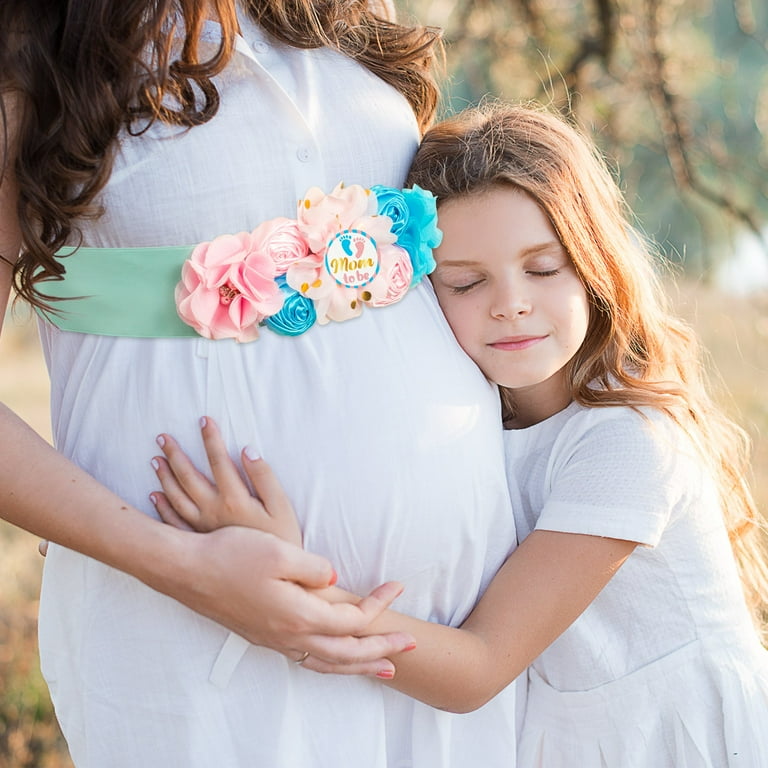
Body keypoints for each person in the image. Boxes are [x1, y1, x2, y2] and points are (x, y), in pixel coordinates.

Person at [153, 102, 768, 767]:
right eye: (467, 282)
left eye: (543, 268)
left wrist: (293, 584)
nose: (511, 302)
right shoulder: (479, 424)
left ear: (595, 265)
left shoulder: (628, 443)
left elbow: (477, 667)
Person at [0, 3, 522, 767]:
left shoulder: (338, 9)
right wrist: (184, 569)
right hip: (196, 626)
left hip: (444, 620)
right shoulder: (35, 37)